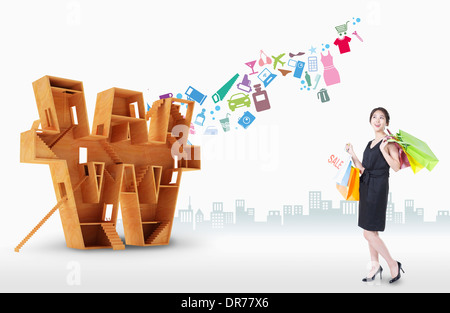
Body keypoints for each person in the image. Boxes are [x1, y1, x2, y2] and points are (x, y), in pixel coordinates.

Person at [346, 107, 405, 284]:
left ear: (387, 122)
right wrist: (353, 154)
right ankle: (374, 266)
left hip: (378, 186)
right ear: (370, 120)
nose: (377, 120)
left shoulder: (390, 142)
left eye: (382, 117)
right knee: (370, 229)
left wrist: (384, 150)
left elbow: (395, 167)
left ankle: (392, 263)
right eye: (374, 117)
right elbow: (363, 168)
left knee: (368, 233)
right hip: (366, 185)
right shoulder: (369, 143)